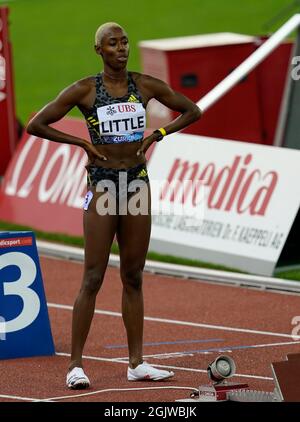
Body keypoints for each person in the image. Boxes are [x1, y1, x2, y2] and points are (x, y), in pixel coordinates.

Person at [27, 22, 201, 389]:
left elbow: (192, 110)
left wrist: (159, 134)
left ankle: (136, 362)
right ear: (99, 50)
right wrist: (81, 144)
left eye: (124, 42)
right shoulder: (86, 90)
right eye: (112, 44)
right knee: (93, 276)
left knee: (134, 276)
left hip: (136, 184)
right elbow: (36, 124)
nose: (121, 49)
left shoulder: (145, 85)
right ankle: (75, 365)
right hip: (103, 187)